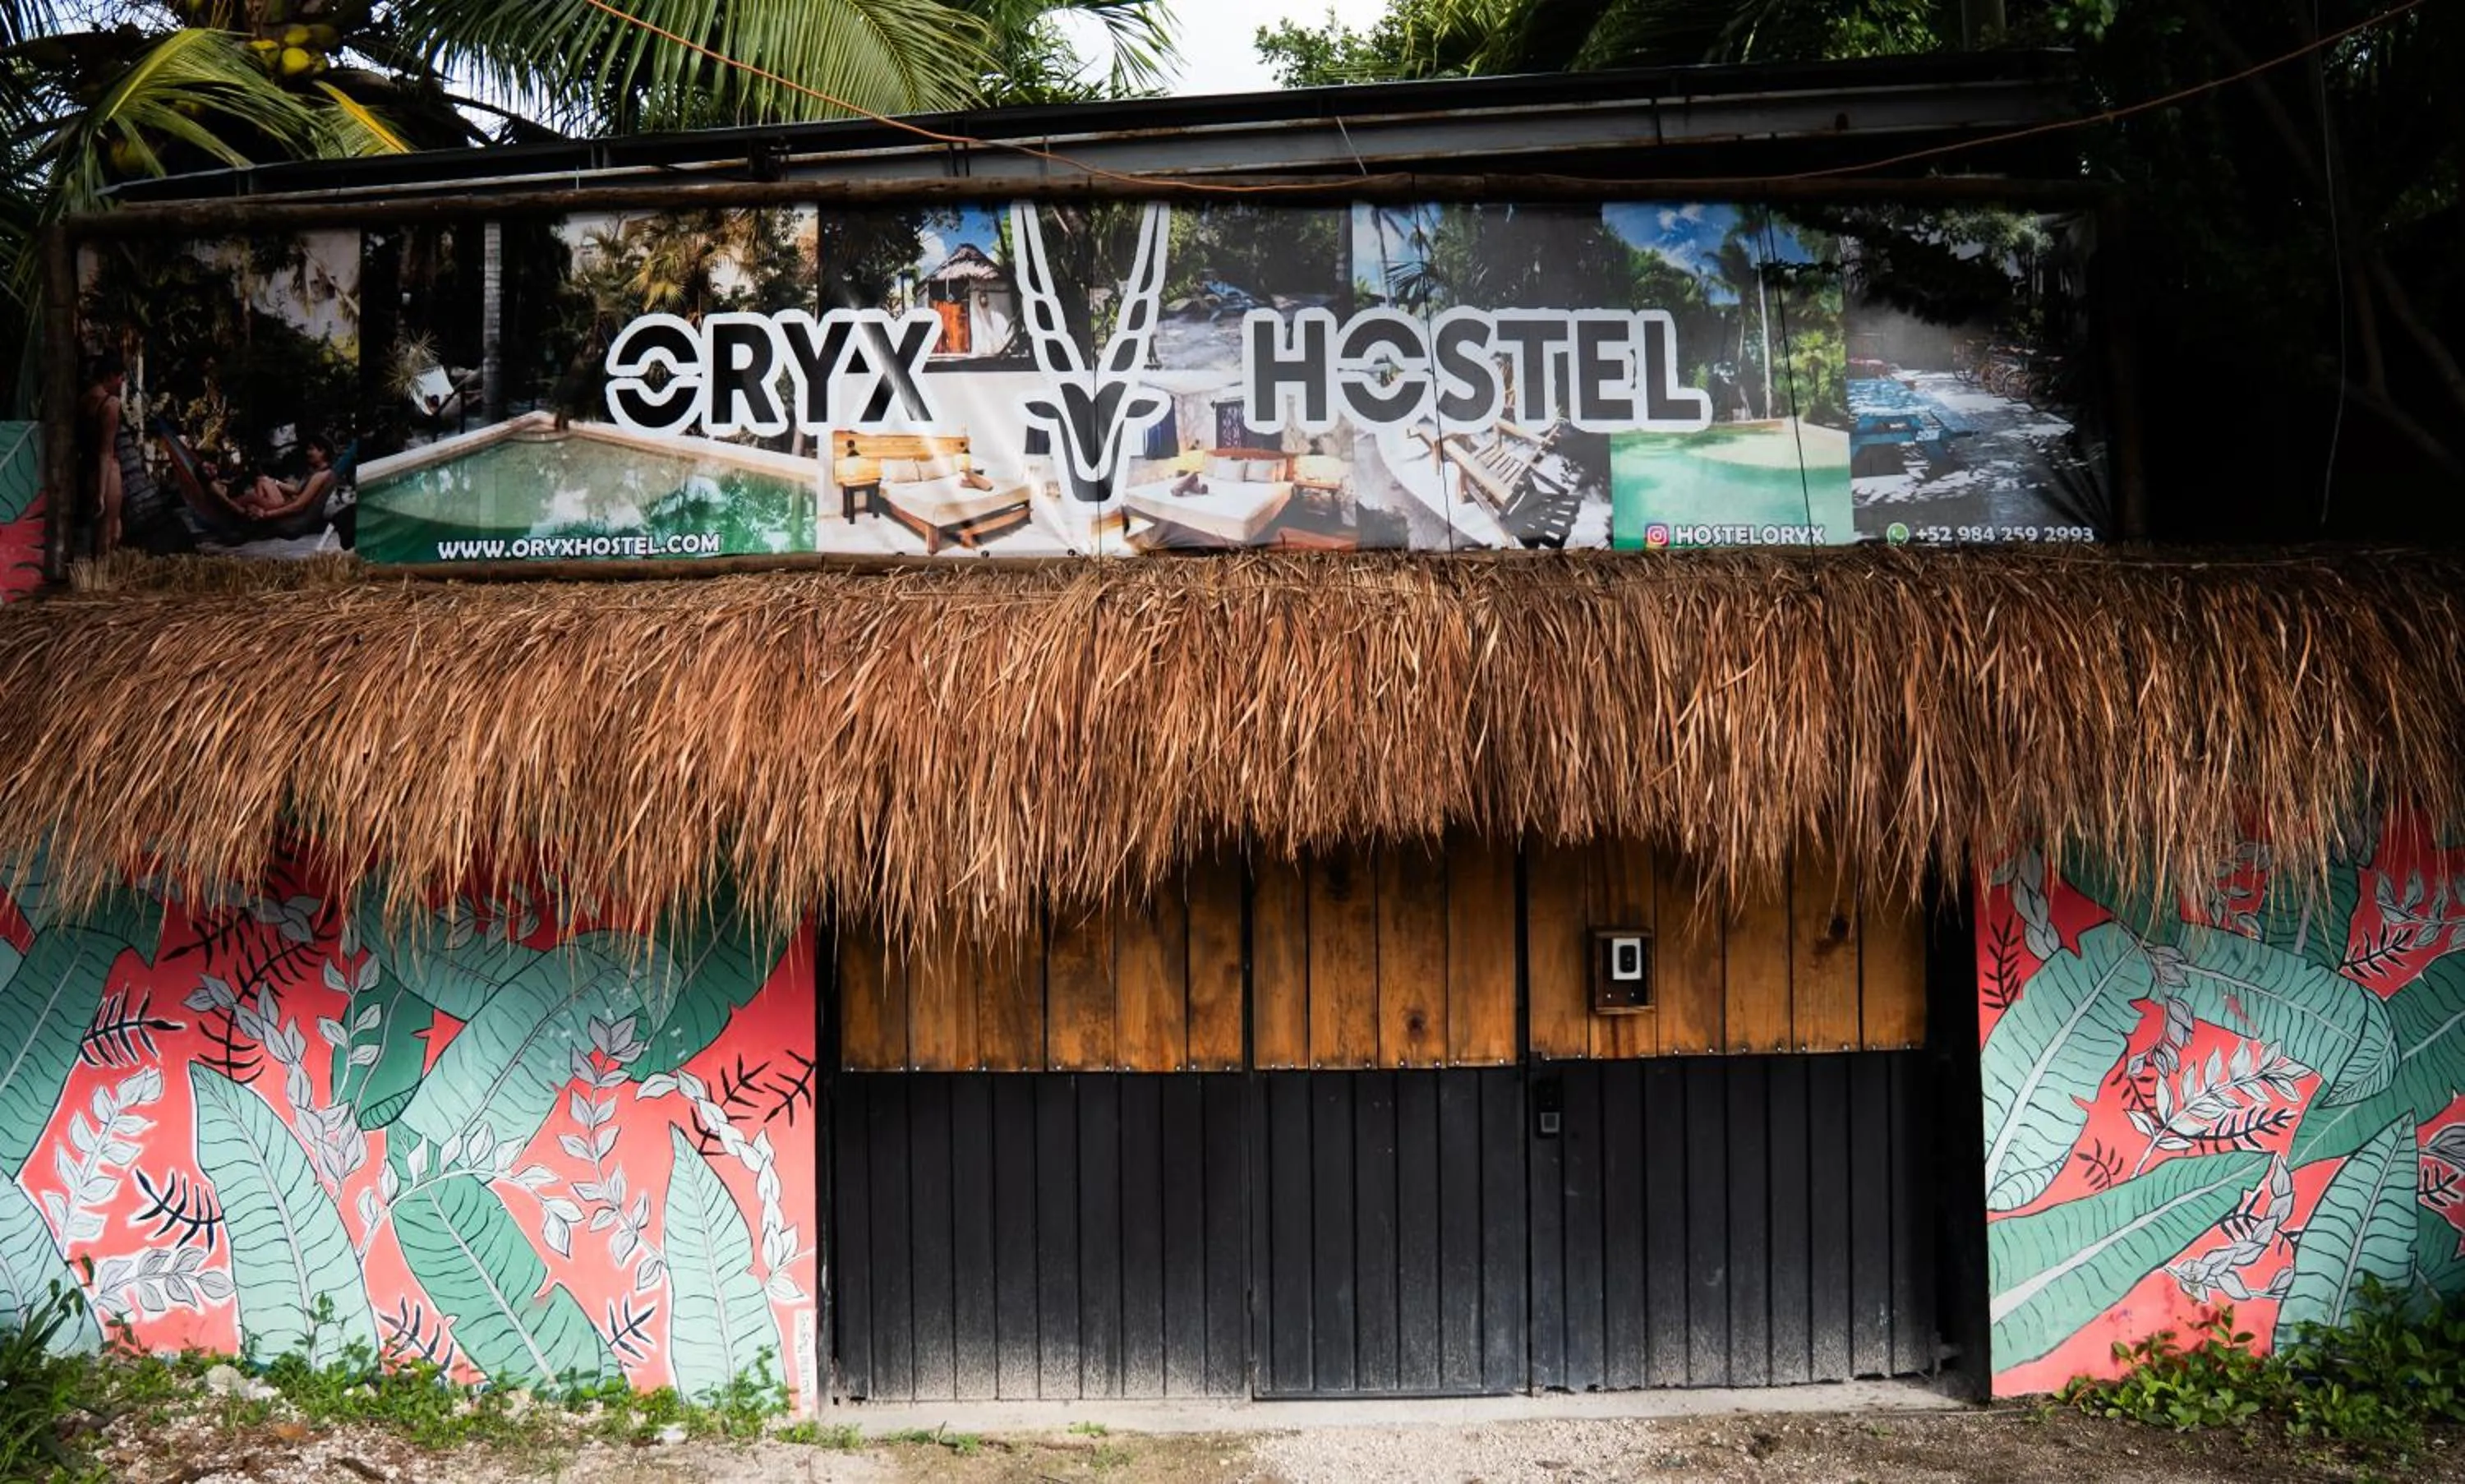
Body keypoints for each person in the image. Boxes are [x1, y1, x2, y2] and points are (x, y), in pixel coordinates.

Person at [76, 352, 129, 555]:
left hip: (87, 469)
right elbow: (106, 451)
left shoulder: (84, 400)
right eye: (119, 377)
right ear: (108, 376)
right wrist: (101, 492)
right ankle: (101, 580)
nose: (121, 382)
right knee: (110, 533)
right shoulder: (111, 404)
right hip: (107, 473)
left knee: (102, 530)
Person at [242, 434, 339, 520]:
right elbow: (297, 490)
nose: (307, 453)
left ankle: (256, 510)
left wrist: (267, 514)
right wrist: (275, 482)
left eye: (311, 449)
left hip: (291, 509)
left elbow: (299, 505)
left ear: (322, 452)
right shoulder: (316, 472)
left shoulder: (320, 476)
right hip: (289, 502)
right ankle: (257, 508)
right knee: (263, 480)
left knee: (250, 497)